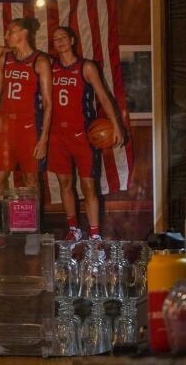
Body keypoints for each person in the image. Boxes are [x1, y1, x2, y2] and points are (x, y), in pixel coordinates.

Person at [49, 27, 125, 241]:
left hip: (82, 135)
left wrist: (116, 124)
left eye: (63, 37)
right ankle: (73, 228)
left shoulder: (86, 67)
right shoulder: (50, 66)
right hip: (57, 136)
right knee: (65, 184)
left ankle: (94, 234)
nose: (60, 41)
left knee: (89, 185)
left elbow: (103, 96)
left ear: (72, 40)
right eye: (56, 39)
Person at [0, 18, 53, 199]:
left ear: (24, 33)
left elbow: (48, 103)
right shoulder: (5, 58)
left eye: (11, 31)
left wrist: (43, 139)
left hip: (29, 128)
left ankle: (32, 227)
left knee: (31, 180)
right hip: (5, 126)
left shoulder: (40, 61)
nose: (6, 35)